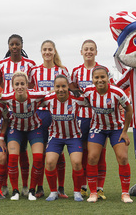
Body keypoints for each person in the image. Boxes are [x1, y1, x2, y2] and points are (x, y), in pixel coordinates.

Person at [70, 39, 114, 199]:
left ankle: (99, 188)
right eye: (86, 49)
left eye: (91, 49)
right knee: (82, 154)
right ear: (81, 52)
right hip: (82, 118)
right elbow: (72, 89)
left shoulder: (103, 70)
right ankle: (83, 187)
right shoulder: (76, 71)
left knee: (100, 154)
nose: (88, 52)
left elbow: (112, 90)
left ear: (96, 52)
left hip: (101, 119)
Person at [83, 66, 133, 203]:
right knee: (92, 157)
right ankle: (93, 193)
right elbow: (81, 102)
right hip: (97, 128)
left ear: (107, 78)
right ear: (92, 79)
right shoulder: (88, 92)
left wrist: (125, 131)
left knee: (122, 157)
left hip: (116, 128)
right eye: (96, 77)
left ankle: (125, 193)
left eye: (102, 77)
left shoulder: (117, 92)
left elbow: (129, 109)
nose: (100, 80)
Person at [29, 40, 71, 198]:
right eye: (44, 49)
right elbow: (31, 90)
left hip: (57, 116)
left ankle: (60, 188)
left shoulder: (62, 70)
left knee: (58, 154)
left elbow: (69, 90)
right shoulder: (34, 71)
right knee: (39, 155)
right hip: (40, 115)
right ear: (41, 52)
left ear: (54, 51)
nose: (47, 52)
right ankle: (39, 187)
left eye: (50, 49)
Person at [0, 34, 36, 196]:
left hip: (25, 113)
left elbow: (32, 86)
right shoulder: (1, 65)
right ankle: (5, 186)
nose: (14, 47)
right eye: (11, 44)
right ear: (8, 46)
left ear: (21, 45)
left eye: (17, 44)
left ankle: (25, 187)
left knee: (23, 151)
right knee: (8, 151)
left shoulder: (30, 64)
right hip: (7, 112)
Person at [0, 71, 46, 201]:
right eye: (17, 84)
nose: (20, 86)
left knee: (38, 158)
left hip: (34, 129)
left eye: (22, 84)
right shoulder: (7, 97)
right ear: (12, 86)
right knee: (12, 158)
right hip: (16, 129)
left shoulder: (36, 95)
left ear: (27, 85)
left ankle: (31, 190)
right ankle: (15, 191)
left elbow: (53, 93)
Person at [40, 74, 87, 202]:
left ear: (68, 87)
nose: (61, 89)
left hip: (74, 136)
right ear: (53, 87)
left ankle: (77, 192)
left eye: (63, 86)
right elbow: (32, 100)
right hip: (56, 136)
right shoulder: (48, 99)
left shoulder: (77, 99)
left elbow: (93, 99)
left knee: (77, 163)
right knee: (49, 162)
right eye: (58, 86)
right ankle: (53, 192)